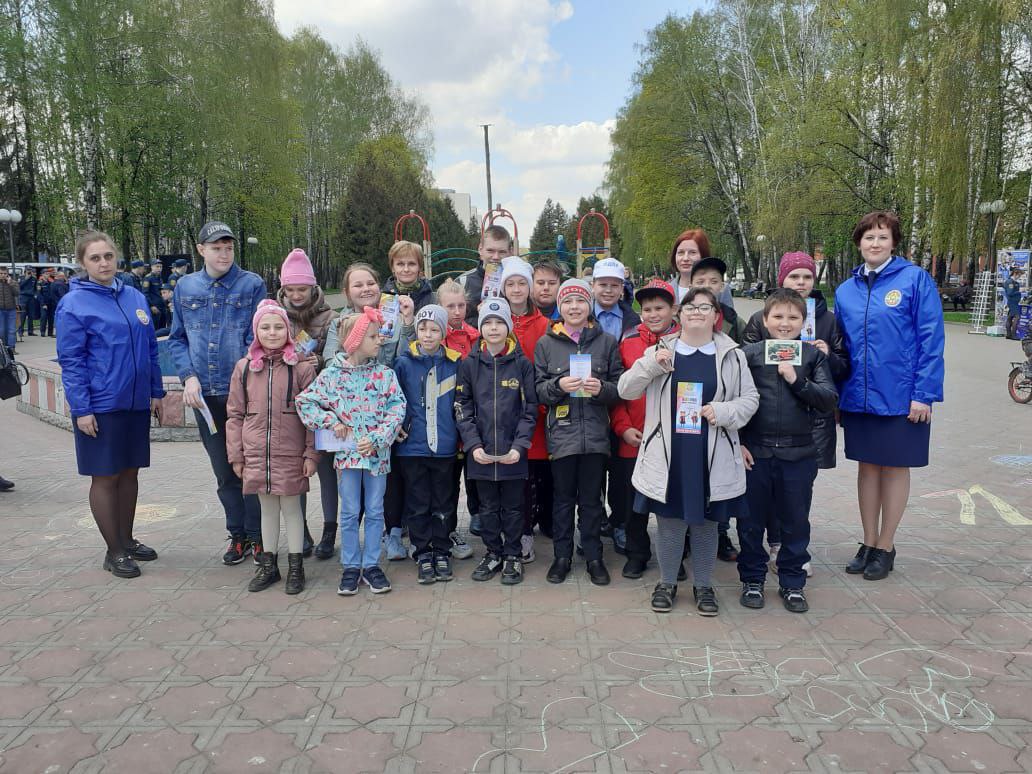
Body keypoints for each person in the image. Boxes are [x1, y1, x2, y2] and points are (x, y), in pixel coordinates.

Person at [618, 286, 758, 615]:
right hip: (671, 452)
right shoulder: (661, 350)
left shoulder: (732, 354)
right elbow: (626, 388)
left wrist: (723, 413)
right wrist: (651, 364)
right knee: (670, 522)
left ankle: (704, 586)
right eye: (690, 306)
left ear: (716, 315)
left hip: (711, 451)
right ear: (679, 314)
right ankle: (667, 582)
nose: (697, 312)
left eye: (705, 307)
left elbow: (750, 400)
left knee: (707, 523)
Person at [834, 211, 944, 581]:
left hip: (902, 397)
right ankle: (867, 542)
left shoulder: (915, 280)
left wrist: (924, 394)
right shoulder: (845, 290)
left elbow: (931, 339)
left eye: (882, 237)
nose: (875, 243)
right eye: (868, 237)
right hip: (858, 396)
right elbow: (841, 347)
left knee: (895, 468)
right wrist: (836, 396)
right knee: (867, 468)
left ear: (894, 242)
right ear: (859, 243)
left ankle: (886, 545)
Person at [56, 230, 164, 578]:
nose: (103, 263)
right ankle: (113, 551)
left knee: (130, 472)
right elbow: (71, 361)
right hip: (100, 404)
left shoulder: (133, 295)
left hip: (134, 402)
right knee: (105, 477)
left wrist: (156, 392)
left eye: (108, 256)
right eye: (95, 258)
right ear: (83, 263)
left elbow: (150, 348)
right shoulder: (73, 304)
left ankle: (128, 540)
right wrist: (81, 409)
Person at [167, 221, 268, 565]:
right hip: (205, 396)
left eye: (228, 247)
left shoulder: (251, 284)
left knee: (251, 467)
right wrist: (188, 377)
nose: (223, 254)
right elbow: (178, 338)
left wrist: (245, 378)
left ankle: (258, 536)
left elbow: (257, 338)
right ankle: (237, 533)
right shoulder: (185, 286)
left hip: (244, 395)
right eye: (216, 248)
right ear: (201, 250)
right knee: (224, 469)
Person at [742, 252, 850, 575]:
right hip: (762, 432)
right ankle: (760, 563)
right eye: (794, 277)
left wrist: (824, 357)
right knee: (757, 504)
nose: (800, 282)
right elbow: (740, 372)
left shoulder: (828, 320)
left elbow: (838, 375)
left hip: (806, 429)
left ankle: (790, 560)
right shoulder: (757, 334)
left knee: (796, 498)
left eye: (806, 277)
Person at [739, 289, 838, 613]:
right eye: (778, 317)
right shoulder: (748, 355)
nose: (785, 323)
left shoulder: (812, 356)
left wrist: (797, 381)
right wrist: (738, 443)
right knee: (750, 522)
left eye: (793, 317)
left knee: (795, 522)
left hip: (798, 453)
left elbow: (827, 398)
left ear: (803, 322)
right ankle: (752, 579)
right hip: (756, 452)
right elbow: (733, 397)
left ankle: (793, 582)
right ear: (765, 321)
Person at [296, 307, 406, 596]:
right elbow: (304, 402)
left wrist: (380, 438)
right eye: (372, 336)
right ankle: (350, 566)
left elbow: (397, 409)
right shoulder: (332, 376)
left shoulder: (385, 375)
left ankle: (371, 565)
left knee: (374, 510)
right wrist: (330, 421)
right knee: (349, 512)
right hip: (346, 457)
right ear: (355, 340)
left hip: (377, 457)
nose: (379, 340)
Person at [321, 262, 415, 562]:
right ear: (347, 293)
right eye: (357, 285)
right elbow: (331, 362)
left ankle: (393, 532)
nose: (366, 289)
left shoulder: (393, 317)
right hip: (353, 417)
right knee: (352, 489)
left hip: (389, 410)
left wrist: (408, 322)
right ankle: (352, 547)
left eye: (370, 283)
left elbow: (407, 358)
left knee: (392, 479)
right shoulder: (341, 323)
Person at [534, 278, 623, 585]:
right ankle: (562, 556)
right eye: (568, 302)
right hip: (561, 436)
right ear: (560, 307)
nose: (574, 307)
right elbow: (538, 390)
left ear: (590, 306)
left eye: (580, 301)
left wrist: (602, 389)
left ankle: (594, 557)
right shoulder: (546, 343)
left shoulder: (607, 342)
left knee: (591, 501)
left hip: (596, 437)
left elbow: (619, 388)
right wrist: (558, 386)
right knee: (562, 500)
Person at [226, 300, 318, 594]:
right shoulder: (244, 369)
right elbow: (235, 414)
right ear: (256, 331)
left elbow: (313, 416)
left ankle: (295, 568)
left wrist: (311, 453)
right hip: (255, 453)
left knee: (292, 509)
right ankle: (269, 566)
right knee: (266, 508)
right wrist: (236, 455)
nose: (272, 332)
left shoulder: (301, 369)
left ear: (288, 331)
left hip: (290, 453)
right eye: (265, 327)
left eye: (279, 326)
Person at [456, 298, 538, 585]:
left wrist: (519, 446)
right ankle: (493, 552)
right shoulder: (469, 364)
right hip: (480, 455)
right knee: (487, 508)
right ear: (480, 328)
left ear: (508, 327)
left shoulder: (522, 364)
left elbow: (530, 410)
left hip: (512, 455)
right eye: (488, 323)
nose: (493, 328)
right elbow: (462, 407)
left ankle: (513, 555)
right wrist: (473, 445)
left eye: (499, 322)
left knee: (514, 508)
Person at [609, 279, 680, 579]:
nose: (653, 314)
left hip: (673, 438)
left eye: (659, 308)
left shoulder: (686, 342)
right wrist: (623, 427)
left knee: (671, 501)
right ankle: (637, 553)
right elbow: (617, 389)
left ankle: (673, 556)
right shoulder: (628, 341)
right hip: (634, 437)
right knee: (633, 501)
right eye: (647, 308)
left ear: (673, 309)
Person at [393, 304, 461, 584]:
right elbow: (394, 399)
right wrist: (397, 425)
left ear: (443, 333)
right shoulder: (403, 362)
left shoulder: (456, 362)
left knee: (444, 502)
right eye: (423, 328)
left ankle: (442, 550)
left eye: (434, 329)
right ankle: (422, 552)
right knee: (418, 502)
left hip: (445, 446)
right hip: (412, 447)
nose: (428, 334)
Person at [276, 248, 336, 559]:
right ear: (283, 288)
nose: (297, 295)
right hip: (287, 406)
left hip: (323, 405)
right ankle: (302, 532)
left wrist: (320, 360)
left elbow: (340, 357)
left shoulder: (329, 317)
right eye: (291, 289)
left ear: (313, 288)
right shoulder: (275, 317)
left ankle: (330, 529)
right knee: (294, 470)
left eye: (302, 289)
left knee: (326, 469)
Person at [501, 257, 551, 562]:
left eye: (522, 283)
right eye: (511, 283)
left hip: (537, 411)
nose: (517, 289)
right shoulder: (495, 322)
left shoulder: (545, 325)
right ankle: (516, 530)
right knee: (514, 476)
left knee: (535, 473)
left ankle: (529, 528)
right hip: (505, 414)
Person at [435, 278, 479, 559]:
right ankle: (447, 529)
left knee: (476, 478)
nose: (457, 311)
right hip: (445, 423)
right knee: (448, 483)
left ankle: (479, 517)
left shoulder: (476, 336)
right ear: (439, 307)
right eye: (450, 306)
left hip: (473, 420)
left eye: (461, 305)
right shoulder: (434, 340)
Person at [459, 224, 512, 324]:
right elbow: (450, 323)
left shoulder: (516, 283)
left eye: (502, 252)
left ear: (510, 252)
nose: (496, 257)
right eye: (490, 251)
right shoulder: (463, 282)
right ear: (480, 249)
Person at [670, 229, 733, 307]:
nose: (685, 258)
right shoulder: (665, 290)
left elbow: (730, 318)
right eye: (681, 252)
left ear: (703, 256)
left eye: (692, 252)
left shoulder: (721, 289)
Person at [592, 258, 641, 342]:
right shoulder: (581, 317)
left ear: (622, 289)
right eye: (603, 285)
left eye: (614, 285)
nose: (608, 290)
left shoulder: (633, 320)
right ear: (593, 286)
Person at [384, 241, 435, 312]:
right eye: (400, 264)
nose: (406, 269)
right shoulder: (384, 297)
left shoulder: (430, 296)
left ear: (419, 267)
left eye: (411, 264)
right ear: (393, 268)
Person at [142, 260, 166, 328]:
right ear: (152, 267)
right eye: (157, 267)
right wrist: (151, 305)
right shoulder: (148, 278)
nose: (159, 269)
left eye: (161, 267)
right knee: (156, 328)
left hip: (162, 305)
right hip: (154, 307)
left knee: (163, 327)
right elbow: (145, 293)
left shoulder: (160, 277)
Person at [0, 268, 17, 354]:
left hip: (11, 309)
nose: (3, 275)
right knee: (2, 330)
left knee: (11, 329)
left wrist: (10, 284)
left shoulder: (12, 282)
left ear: (7, 274)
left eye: (4, 273)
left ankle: (11, 348)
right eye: (1, 273)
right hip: (0, 310)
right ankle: (2, 348)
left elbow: (17, 293)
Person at [1004, 266, 1023, 339]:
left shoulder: (1015, 282)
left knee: (1010, 317)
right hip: (1012, 303)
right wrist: (1019, 292)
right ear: (1015, 274)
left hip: (1014, 302)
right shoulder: (1010, 282)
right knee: (1017, 317)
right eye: (1019, 275)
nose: (1019, 276)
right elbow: (1010, 293)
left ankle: (1009, 334)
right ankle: (1013, 335)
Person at [17, 270, 37, 337]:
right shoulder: (21, 277)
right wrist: (26, 279)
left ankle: (30, 331)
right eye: (28, 271)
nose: (29, 273)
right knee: (23, 315)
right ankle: (20, 331)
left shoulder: (34, 279)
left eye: (30, 271)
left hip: (31, 298)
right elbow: (19, 286)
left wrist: (35, 294)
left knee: (31, 315)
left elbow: (35, 288)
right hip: (23, 297)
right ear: (25, 272)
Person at [36, 272, 55, 337]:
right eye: (46, 274)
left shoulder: (50, 283)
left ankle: (50, 332)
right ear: (43, 275)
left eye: (48, 274)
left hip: (51, 303)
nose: (47, 275)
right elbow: (39, 294)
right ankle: (43, 332)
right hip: (44, 303)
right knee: (44, 317)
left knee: (51, 318)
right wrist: (43, 304)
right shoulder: (40, 283)